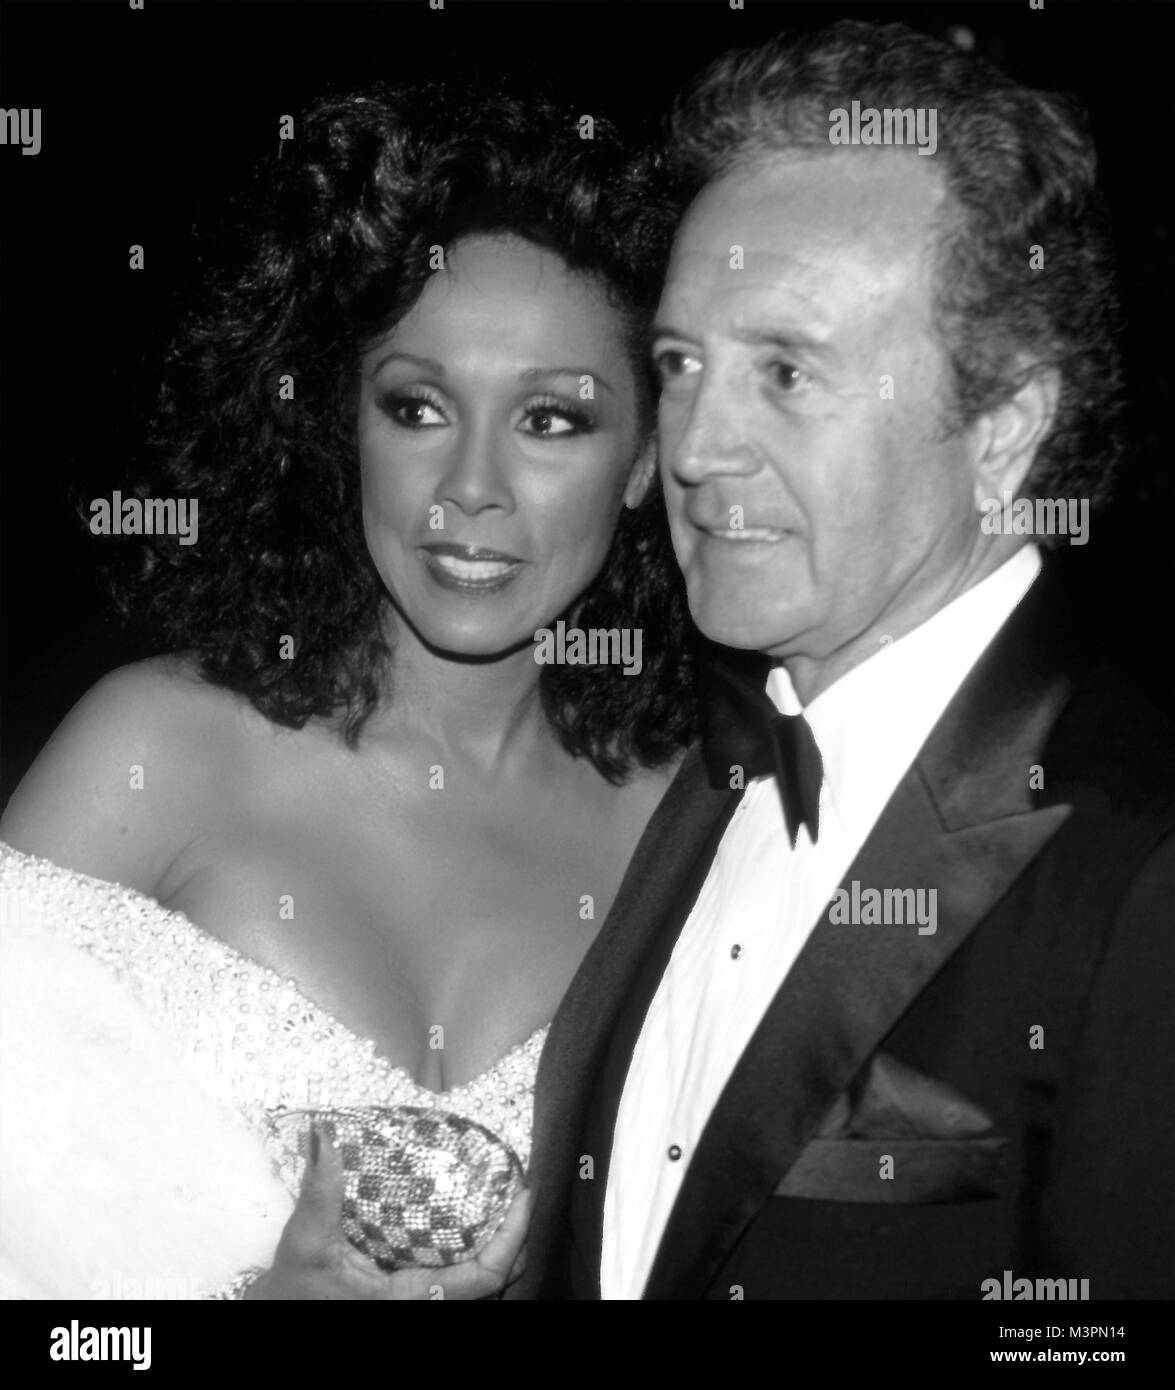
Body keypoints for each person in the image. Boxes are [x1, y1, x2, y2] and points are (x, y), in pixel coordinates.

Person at [0, 80, 698, 1299]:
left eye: (550, 419)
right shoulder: (153, 753)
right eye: (417, 406)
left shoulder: (684, 829)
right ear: (344, 422)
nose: (470, 485)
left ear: (643, 462)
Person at [518, 20, 1175, 1300]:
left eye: (785, 371)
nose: (696, 446)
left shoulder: (1140, 865)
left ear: (1001, 429)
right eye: (680, 364)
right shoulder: (706, 766)